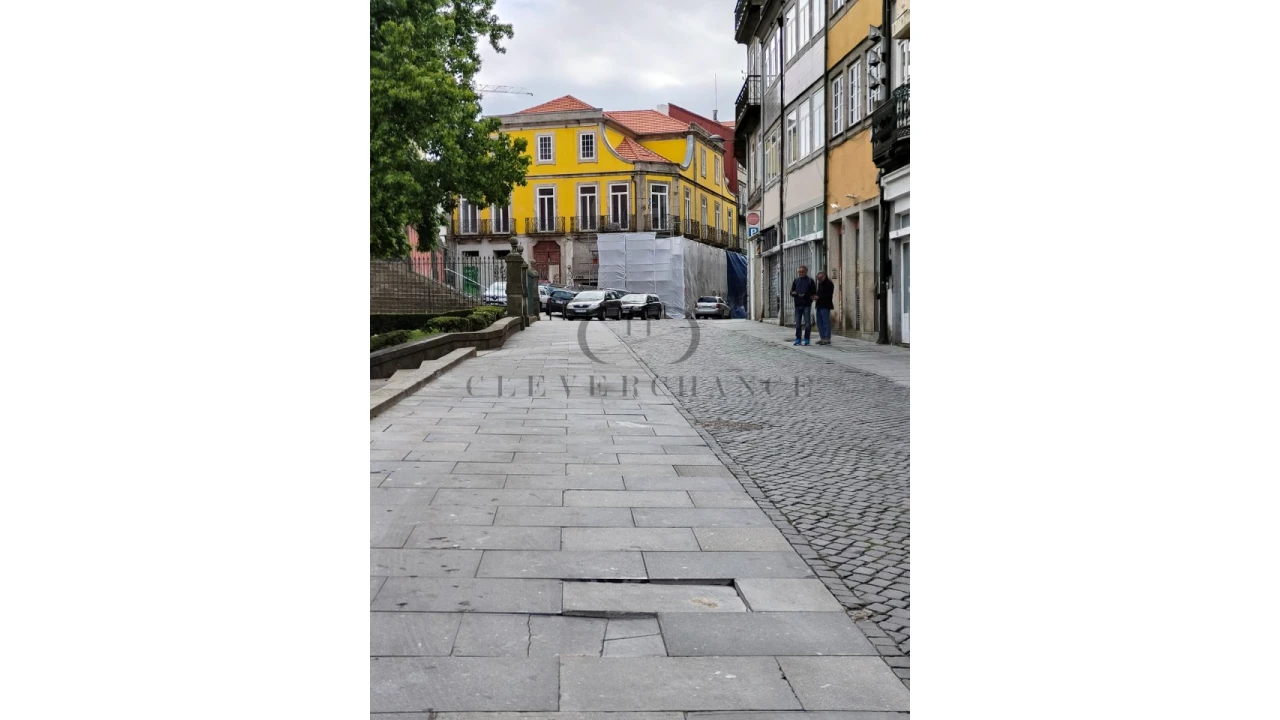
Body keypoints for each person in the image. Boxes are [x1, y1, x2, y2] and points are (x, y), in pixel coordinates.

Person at [789, 265, 818, 346]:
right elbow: (791, 291)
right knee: (797, 323)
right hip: (797, 304)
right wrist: (793, 293)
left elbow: (813, 292)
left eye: (802, 271)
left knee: (807, 323)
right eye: (799, 272)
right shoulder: (796, 281)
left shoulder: (810, 281)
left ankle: (807, 338)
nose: (801, 273)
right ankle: (798, 338)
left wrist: (809, 295)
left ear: (806, 272)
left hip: (806, 305)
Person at [815, 270, 835, 345]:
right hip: (819, 305)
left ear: (823, 276)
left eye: (819, 277)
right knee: (819, 322)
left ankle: (827, 338)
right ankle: (822, 337)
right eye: (817, 278)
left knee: (826, 322)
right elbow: (819, 292)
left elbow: (828, 295)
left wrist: (818, 297)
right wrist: (815, 296)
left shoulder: (829, 283)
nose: (818, 279)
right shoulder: (820, 283)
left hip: (825, 305)